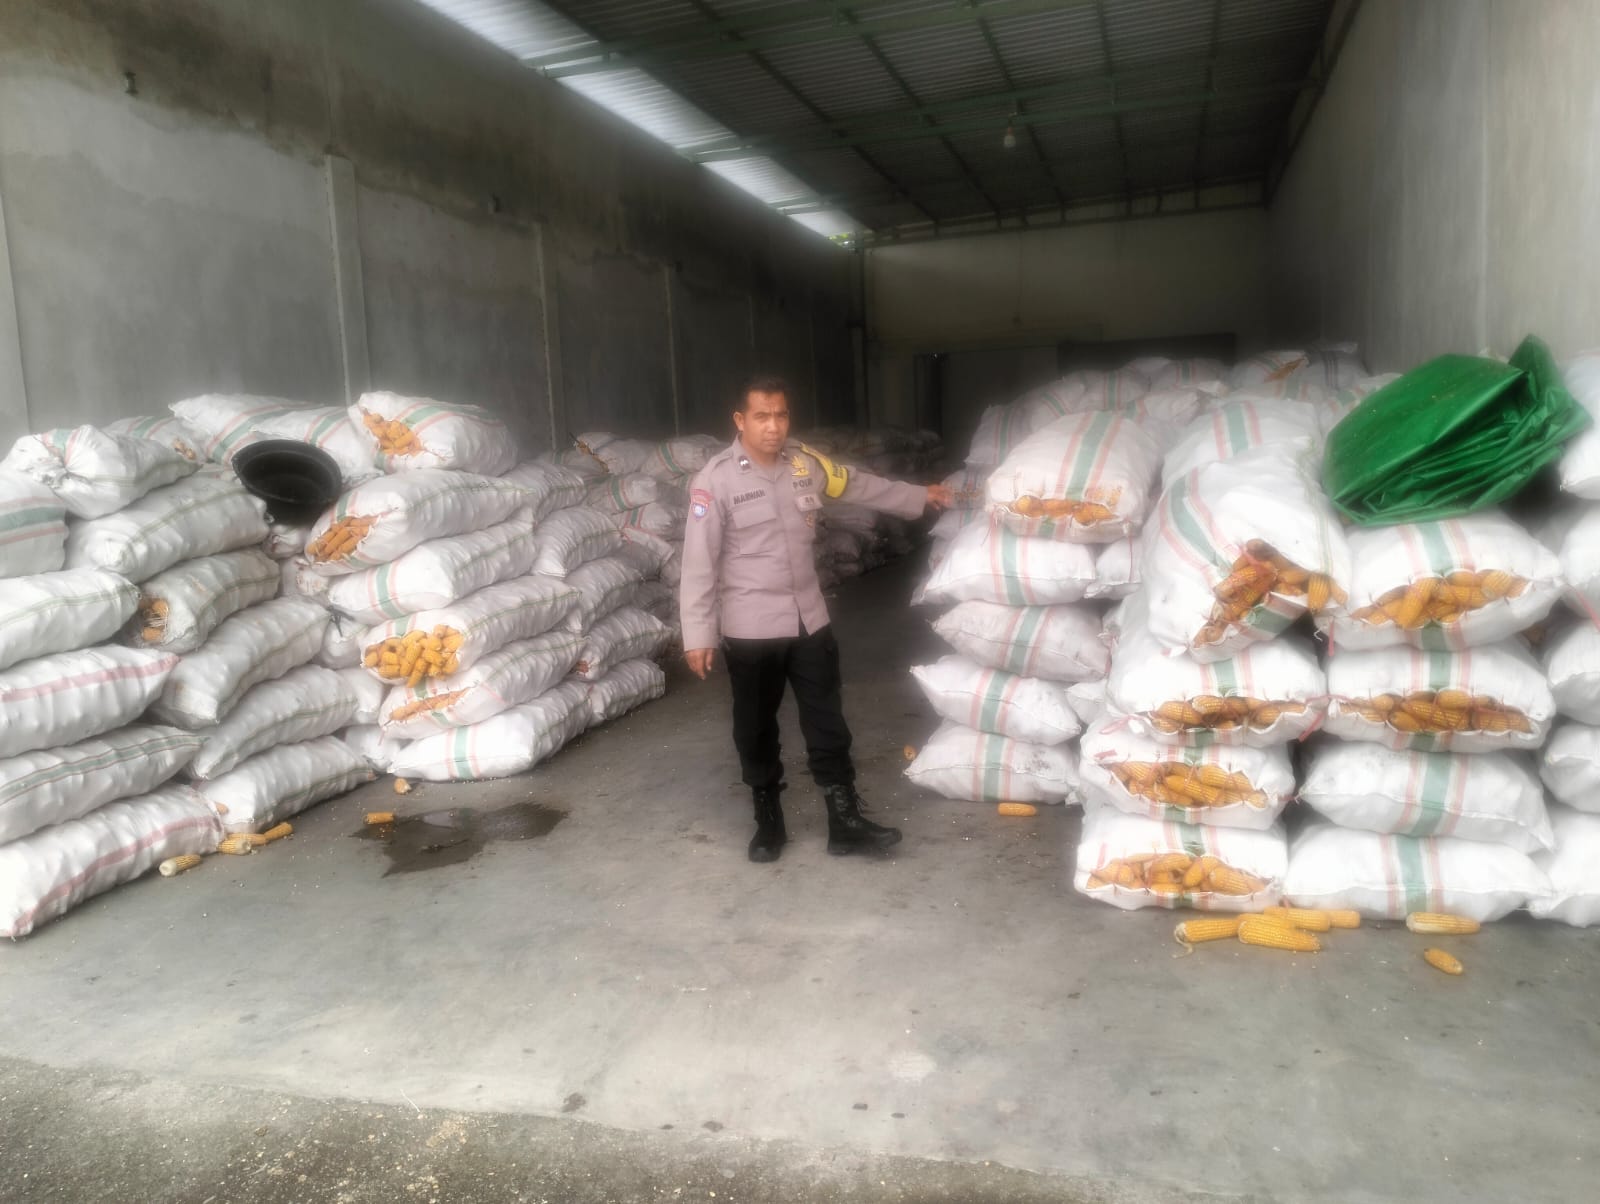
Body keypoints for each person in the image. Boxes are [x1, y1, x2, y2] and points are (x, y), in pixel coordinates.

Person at [679, 376, 954, 863]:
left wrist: (917, 496)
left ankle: (844, 821)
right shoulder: (715, 480)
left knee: (828, 722)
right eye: (762, 416)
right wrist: (697, 634)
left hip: (809, 619)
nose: (773, 426)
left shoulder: (804, 464)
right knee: (755, 728)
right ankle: (768, 820)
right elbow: (699, 562)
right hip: (751, 628)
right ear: (740, 421)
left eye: (781, 415)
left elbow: (857, 483)